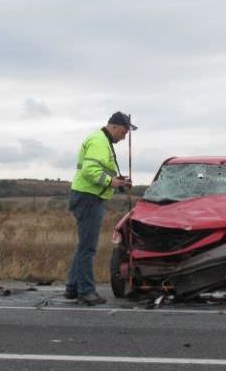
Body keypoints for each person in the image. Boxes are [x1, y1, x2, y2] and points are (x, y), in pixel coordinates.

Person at [64, 111, 138, 305]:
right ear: (113, 126)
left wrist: (118, 182)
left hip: (88, 196)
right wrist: (111, 182)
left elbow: (101, 171)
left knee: (84, 246)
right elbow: (90, 171)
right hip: (88, 197)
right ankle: (86, 291)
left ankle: (72, 288)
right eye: (124, 131)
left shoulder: (103, 141)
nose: (124, 136)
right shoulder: (98, 141)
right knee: (88, 248)